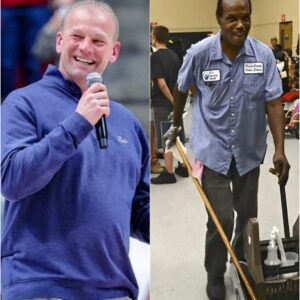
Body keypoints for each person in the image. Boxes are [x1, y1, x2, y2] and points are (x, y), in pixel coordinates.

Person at [1, 2, 149, 300]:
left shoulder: (127, 124)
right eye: (76, 37)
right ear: (59, 41)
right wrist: (79, 123)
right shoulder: (23, 104)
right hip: (42, 286)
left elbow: (138, 211)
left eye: (98, 41)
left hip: (115, 291)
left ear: (114, 51)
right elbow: (12, 181)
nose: (86, 48)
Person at [164, 0, 290, 299]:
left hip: (248, 152)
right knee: (221, 218)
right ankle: (215, 272)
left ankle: (239, 259)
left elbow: (273, 102)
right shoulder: (200, 53)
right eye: (231, 18)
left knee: (247, 218)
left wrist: (280, 149)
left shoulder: (262, 55)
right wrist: (175, 126)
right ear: (219, 18)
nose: (239, 24)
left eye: (245, 17)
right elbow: (182, 87)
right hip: (212, 151)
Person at [150, 25, 188, 184]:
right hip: (176, 104)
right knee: (177, 135)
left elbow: (161, 83)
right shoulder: (174, 55)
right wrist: (178, 102)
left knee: (166, 139)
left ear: (154, 38)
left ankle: (169, 172)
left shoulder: (155, 57)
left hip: (164, 103)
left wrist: (173, 101)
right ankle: (183, 166)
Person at [1, 0, 50, 100]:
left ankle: (36, 104)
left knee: (35, 62)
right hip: (7, 6)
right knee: (7, 63)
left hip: (38, 5)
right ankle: (7, 107)